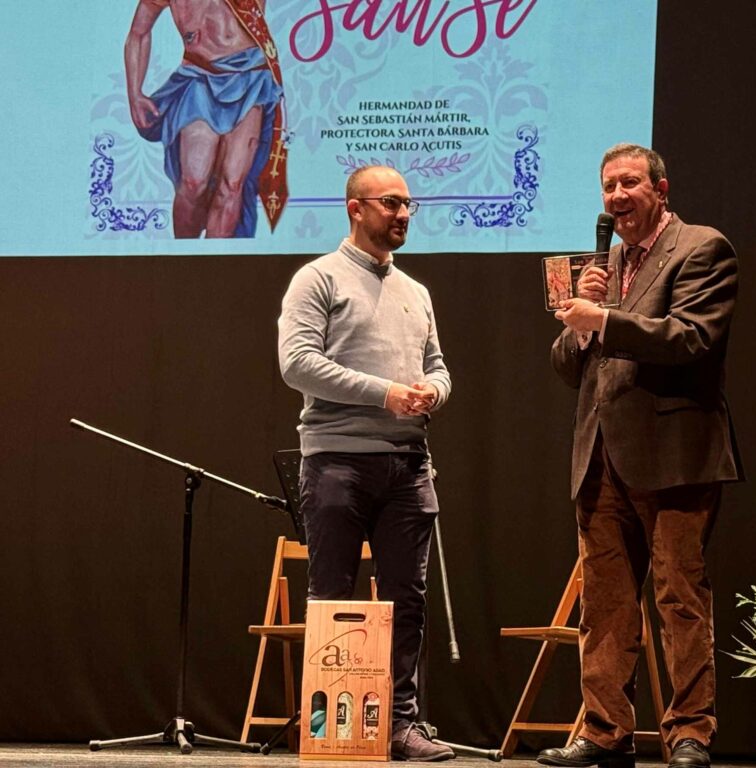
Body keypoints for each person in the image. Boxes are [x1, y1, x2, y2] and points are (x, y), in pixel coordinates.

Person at [542, 144, 741, 768]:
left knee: (679, 598)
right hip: (599, 456)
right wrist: (581, 325)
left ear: (661, 187)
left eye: (630, 183)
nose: (617, 196)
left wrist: (605, 319)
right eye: (608, 186)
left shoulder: (703, 248)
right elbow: (569, 366)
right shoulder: (605, 263)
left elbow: (692, 338)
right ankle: (605, 732)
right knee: (604, 605)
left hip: (674, 455)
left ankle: (689, 733)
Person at [278, 165, 454, 761]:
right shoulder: (318, 278)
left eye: (409, 203)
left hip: (408, 465)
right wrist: (385, 393)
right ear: (355, 209)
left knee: (409, 599)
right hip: (336, 463)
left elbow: (438, 365)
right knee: (332, 596)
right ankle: (327, 729)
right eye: (391, 202)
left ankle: (401, 727)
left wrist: (434, 391)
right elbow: (297, 364)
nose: (403, 213)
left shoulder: (416, 291)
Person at [125, 0, 288, 238]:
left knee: (232, 185)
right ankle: (185, 258)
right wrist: (134, 94)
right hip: (199, 78)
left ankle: (216, 261)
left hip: (252, 78)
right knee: (193, 182)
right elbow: (138, 33)